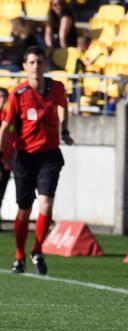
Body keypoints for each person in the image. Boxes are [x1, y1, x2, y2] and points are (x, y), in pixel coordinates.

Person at [0, 46, 74, 275]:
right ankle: (20, 255)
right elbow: (5, 126)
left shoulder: (57, 87)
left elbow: (63, 107)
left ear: (45, 65)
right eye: (31, 63)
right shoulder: (18, 94)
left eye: (39, 62)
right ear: (24, 66)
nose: (36, 67)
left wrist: (64, 130)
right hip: (24, 156)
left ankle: (38, 250)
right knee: (24, 208)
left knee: (46, 204)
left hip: (49, 155)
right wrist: (3, 155)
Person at [0, 88, 13, 225]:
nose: (1, 99)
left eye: (3, 96)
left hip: (8, 160)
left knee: (2, 191)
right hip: (3, 159)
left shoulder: (11, 117)